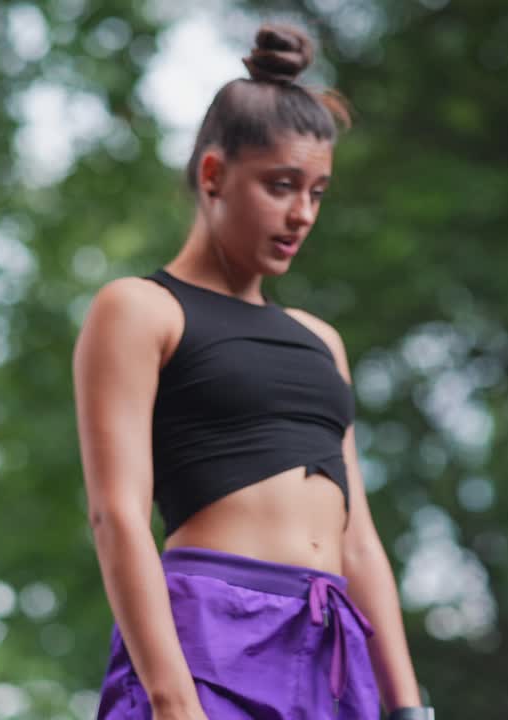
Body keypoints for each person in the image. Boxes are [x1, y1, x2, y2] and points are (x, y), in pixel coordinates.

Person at [72, 22, 435, 720]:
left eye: (318, 192)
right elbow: (115, 513)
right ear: (214, 174)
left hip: (330, 659)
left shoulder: (320, 341)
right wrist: (173, 701)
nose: (301, 213)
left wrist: (409, 706)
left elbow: (358, 538)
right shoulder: (141, 309)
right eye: (280, 185)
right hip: (207, 646)